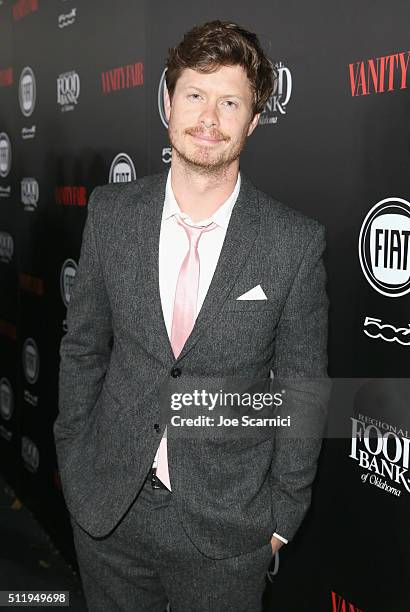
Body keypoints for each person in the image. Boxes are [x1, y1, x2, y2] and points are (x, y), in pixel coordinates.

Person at [54, 20, 329, 612]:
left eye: (229, 101)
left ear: (253, 120)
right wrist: (75, 460)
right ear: (169, 104)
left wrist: (283, 513)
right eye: (195, 95)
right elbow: (83, 349)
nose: (209, 117)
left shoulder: (293, 244)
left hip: (227, 529)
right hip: (109, 510)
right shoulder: (111, 214)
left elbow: (302, 389)